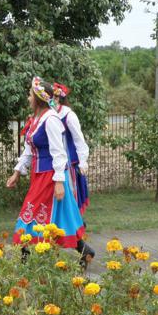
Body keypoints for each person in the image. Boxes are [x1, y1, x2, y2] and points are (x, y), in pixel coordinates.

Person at [7, 77, 94, 263]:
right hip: (38, 175)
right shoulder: (36, 120)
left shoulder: (51, 119)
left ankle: (24, 260)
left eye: (30, 95)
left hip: (50, 176)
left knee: (29, 213)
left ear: (38, 98)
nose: (28, 98)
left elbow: (59, 153)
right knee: (61, 218)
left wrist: (59, 182)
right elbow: (29, 149)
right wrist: (17, 172)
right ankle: (84, 251)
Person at [53, 82, 90, 214]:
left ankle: (74, 222)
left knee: (71, 195)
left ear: (57, 98)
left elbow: (79, 139)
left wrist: (83, 161)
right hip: (54, 163)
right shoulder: (48, 115)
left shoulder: (68, 115)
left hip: (70, 164)